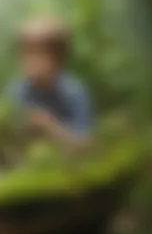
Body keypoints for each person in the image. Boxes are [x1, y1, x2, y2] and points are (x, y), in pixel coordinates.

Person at [8, 17, 92, 152]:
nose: (34, 61)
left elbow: (86, 145)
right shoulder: (17, 92)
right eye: (28, 53)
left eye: (42, 53)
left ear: (59, 58)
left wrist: (50, 127)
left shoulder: (72, 91)